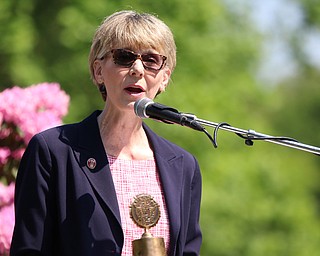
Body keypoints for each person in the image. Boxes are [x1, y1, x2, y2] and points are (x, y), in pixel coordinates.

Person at [10, 10, 202, 256]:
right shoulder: (53, 151)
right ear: (99, 71)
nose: (137, 69)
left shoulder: (183, 166)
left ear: (164, 77)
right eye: (124, 57)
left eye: (151, 60)